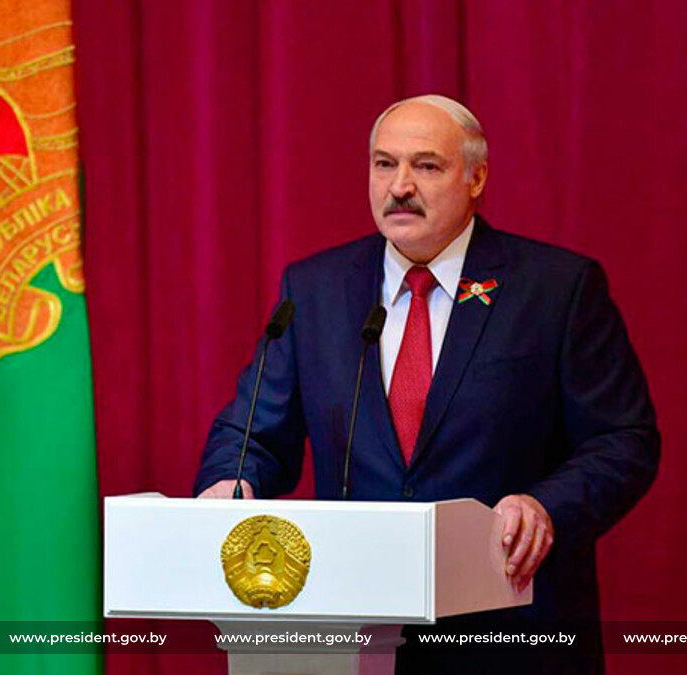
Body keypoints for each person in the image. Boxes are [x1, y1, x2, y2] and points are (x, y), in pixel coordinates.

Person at [195, 94, 659, 673]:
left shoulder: (556, 289)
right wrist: (232, 480)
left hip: (511, 633)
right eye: (384, 164)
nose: (400, 186)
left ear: (476, 177)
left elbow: (624, 440)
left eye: (427, 165)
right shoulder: (315, 291)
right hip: (356, 633)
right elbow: (253, 432)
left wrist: (545, 507)